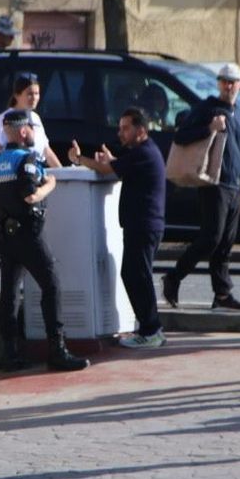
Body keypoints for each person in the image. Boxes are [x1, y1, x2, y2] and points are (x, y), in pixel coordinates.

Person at [0, 109, 88, 371]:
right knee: (51, 284)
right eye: (31, 129)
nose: (33, 134)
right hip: (28, 233)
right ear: (22, 131)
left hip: (5, 235)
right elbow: (30, 196)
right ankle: (58, 350)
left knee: (9, 293)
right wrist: (50, 183)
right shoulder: (26, 159)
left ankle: (10, 353)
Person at [68, 107, 167, 348]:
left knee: (137, 275)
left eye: (126, 128)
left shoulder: (144, 152)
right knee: (135, 274)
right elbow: (115, 166)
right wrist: (111, 161)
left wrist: (79, 159)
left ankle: (151, 330)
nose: (120, 133)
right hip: (142, 224)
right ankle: (150, 328)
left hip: (144, 225)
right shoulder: (141, 152)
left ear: (141, 130)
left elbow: (106, 169)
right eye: (120, 128)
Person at [162, 62, 240, 311]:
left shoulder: (239, 114)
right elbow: (181, 137)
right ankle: (174, 277)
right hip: (214, 182)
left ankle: (222, 295)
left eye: (232, 81)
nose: (228, 86)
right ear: (219, 84)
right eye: (223, 81)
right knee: (211, 237)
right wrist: (209, 128)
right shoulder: (206, 108)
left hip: (234, 185)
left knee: (226, 241)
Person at [0, 72, 61, 168]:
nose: (34, 98)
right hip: (16, 175)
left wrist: (64, 173)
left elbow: (46, 151)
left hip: (37, 172)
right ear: (17, 95)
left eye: (37, 94)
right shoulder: (3, 119)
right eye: (29, 94)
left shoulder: (36, 118)